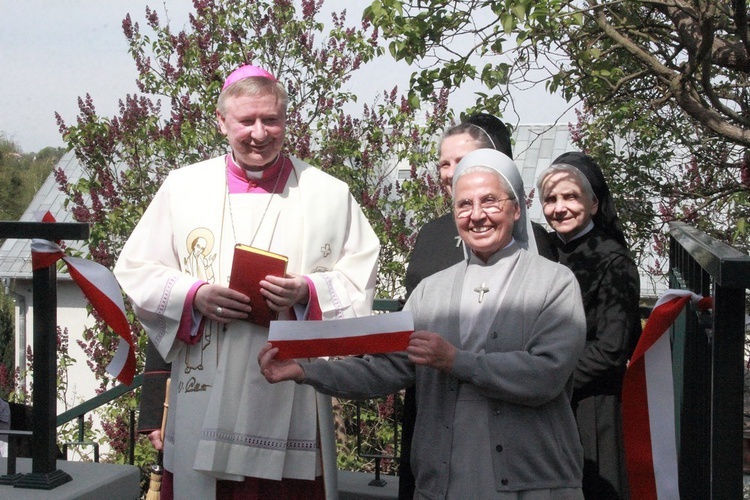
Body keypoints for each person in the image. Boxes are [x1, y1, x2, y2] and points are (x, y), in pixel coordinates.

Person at [114, 64, 380, 499]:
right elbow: (137, 267)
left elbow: (359, 274)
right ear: (222, 122)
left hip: (289, 384)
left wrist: (306, 292)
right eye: (246, 121)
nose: (260, 133)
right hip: (206, 377)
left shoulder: (328, 193)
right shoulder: (183, 187)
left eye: (271, 120)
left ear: (285, 120)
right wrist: (194, 295)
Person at [260, 148, 587, 499]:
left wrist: (456, 361)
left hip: (531, 482)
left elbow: (547, 375)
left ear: (516, 208)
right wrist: (305, 371)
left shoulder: (554, 283)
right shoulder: (432, 290)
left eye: (490, 201)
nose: (477, 215)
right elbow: (386, 369)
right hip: (445, 482)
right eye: (464, 205)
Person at [399, 113, 556, 499]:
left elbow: (549, 365)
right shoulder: (432, 235)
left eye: (464, 161)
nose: (453, 172)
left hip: (513, 422)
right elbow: (402, 338)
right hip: (435, 405)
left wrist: (459, 360)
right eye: (445, 163)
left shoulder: (543, 261)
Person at [537, 152, 642, 499]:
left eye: (570, 197)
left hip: (592, 407)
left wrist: (552, 380)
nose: (559, 208)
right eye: (550, 199)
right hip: (548, 402)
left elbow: (612, 349)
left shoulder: (615, 260)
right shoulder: (543, 252)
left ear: (594, 204)